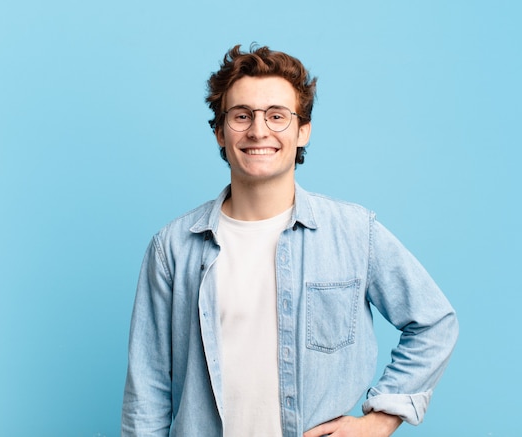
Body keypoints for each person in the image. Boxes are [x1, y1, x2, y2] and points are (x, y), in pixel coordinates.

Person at [121, 44, 458, 437]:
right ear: (219, 132)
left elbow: (434, 322)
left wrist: (381, 420)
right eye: (242, 115)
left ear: (302, 131)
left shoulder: (353, 233)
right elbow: (147, 390)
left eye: (277, 116)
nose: (259, 130)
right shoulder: (172, 248)